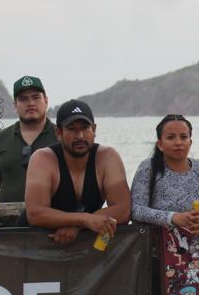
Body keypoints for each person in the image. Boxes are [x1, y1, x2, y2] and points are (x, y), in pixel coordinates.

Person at [23, 99, 130, 245]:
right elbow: (35, 214)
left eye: (85, 128)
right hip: (39, 245)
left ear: (94, 129)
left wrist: (78, 225)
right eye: (72, 129)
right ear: (59, 133)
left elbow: (123, 209)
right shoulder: (43, 159)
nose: (79, 136)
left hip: (83, 245)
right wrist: (84, 219)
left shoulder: (108, 157)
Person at [130, 114, 199, 234]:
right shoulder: (148, 168)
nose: (178, 142)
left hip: (198, 248)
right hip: (155, 249)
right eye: (171, 137)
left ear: (190, 142)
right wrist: (173, 218)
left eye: (183, 137)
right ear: (160, 144)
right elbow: (135, 210)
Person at [0, 75, 57, 227]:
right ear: (15, 104)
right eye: (23, 99)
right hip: (10, 232)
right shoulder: (0, 140)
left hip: (55, 231)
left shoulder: (61, 137)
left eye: (36, 97)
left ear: (46, 101)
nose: (30, 103)